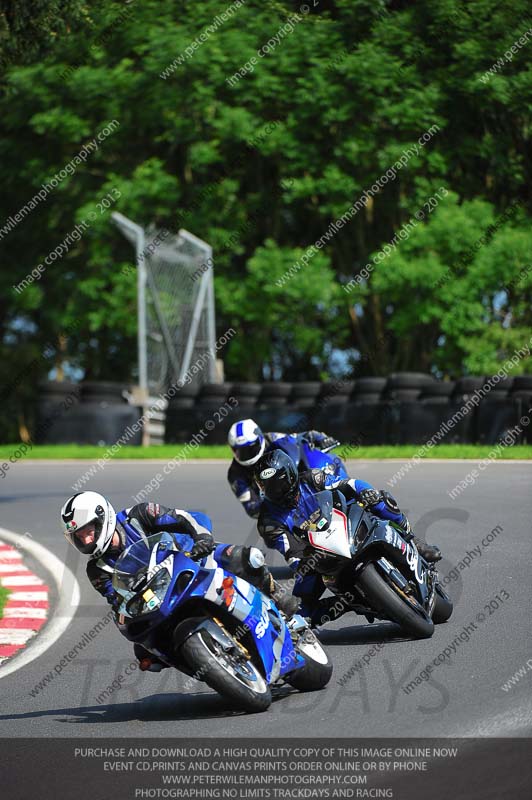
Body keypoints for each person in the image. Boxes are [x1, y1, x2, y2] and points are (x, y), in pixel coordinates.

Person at [60, 491, 299, 671]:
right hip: (158, 597)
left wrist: (202, 538)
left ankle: (277, 598)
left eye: (88, 531)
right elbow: (117, 600)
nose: (86, 539)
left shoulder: (139, 515)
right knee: (145, 652)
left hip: (193, 560)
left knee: (247, 559)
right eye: (79, 537)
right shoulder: (97, 570)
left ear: (103, 518)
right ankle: (212, 664)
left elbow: (187, 518)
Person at [255, 450, 442, 628]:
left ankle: (414, 540)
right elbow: (290, 551)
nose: (273, 491)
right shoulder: (268, 521)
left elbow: (348, 484)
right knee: (298, 612)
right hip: (318, 556)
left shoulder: (312, 478)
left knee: (381, 500)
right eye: (266, 487)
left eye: (276, 485)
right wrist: (305, 562)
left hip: (347, 524)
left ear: (289, 476)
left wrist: (367, 492)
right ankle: (345, 603)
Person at [227, 418, 337, 518]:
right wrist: (274, 502)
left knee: (323, 459)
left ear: (259, 439)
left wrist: (320, 437)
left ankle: (339, 488)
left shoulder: (274, 439)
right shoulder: (235, 474)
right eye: (240, 451)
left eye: (250, 449)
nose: (246, 455)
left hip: (301, 483)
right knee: (269, 527)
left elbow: (299, 437)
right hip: (280, 508)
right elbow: (251, 507)